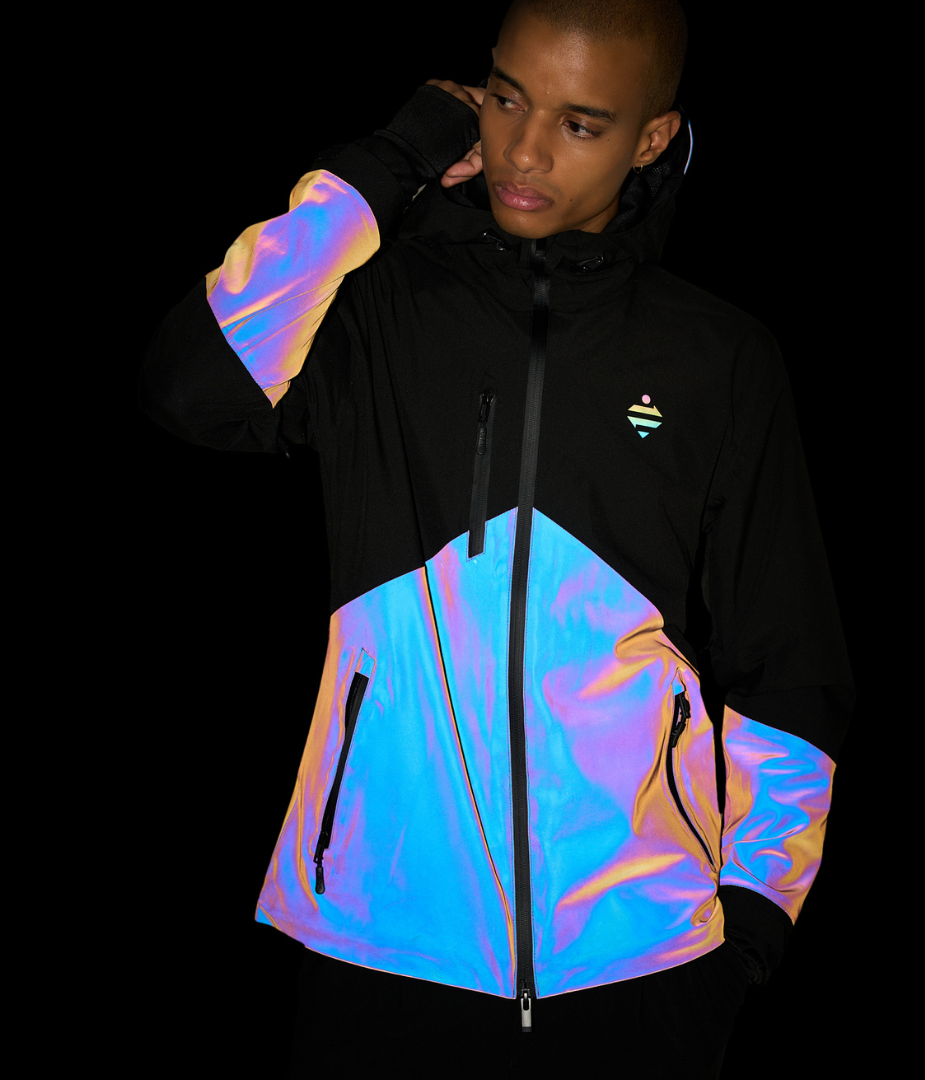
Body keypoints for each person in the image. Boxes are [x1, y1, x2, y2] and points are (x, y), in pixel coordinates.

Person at [141, 1, 853, 1075]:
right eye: (508, 99)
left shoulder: (719, 356)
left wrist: (751, 922)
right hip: (376, 941)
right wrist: (387, 164)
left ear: (652, 138)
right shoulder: (377, 307)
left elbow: (788, 662)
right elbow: (192, 388)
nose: (524, 151)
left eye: (580, 123)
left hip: (642, 965)